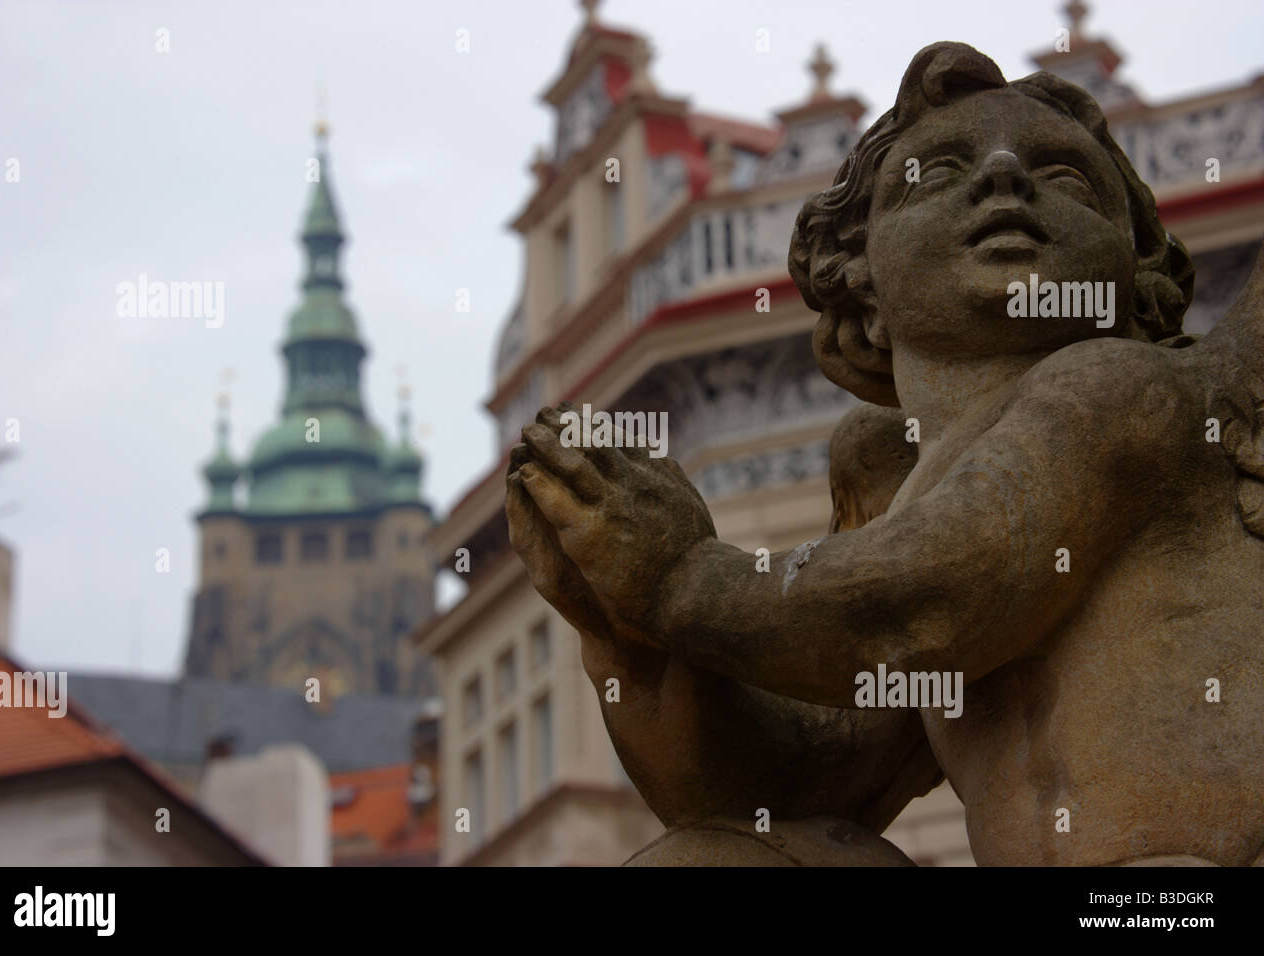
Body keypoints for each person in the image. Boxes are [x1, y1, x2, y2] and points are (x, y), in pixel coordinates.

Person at [507, 42, 1264, 866]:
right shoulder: (896, 472)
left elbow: (927, 603)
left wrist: (678, 581)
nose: (1006, 177)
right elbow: (787, 788)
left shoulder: (1129, 391)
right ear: (858, 280)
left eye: (1067, 179)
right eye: (937, 173)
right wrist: (627, 632)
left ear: (1136, 265)